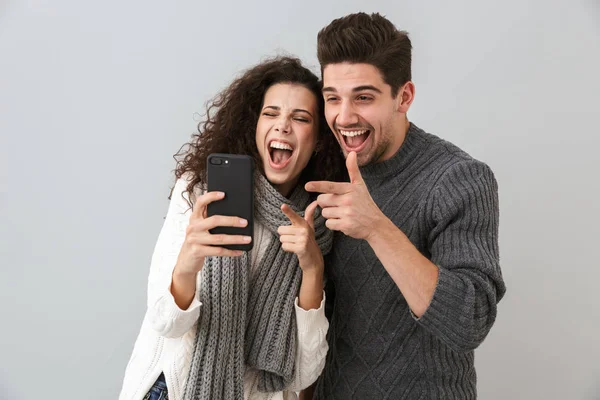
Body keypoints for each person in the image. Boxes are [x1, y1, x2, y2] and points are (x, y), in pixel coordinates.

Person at [303, 13, 507, 399]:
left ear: (404, 97)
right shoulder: (325, 169)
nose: (343, 117)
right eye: (333, 97)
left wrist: (377, 228)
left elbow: (469, 323)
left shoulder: (459, 178)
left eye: (363, 97)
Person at [119, 56, 346, 400]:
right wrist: (188, 264)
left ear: (317, 140)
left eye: (300, 118)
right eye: (271, 114)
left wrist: (312, 267)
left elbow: (303, 374)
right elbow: (166, 323)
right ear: (254, 126)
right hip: (172, 390)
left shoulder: (320, 225)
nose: (282, 126)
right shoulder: (199, 192)